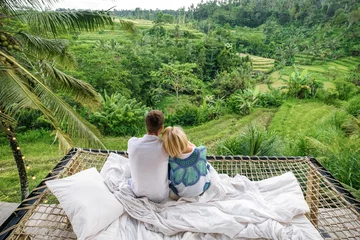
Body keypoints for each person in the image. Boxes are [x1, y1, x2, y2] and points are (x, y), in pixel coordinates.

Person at [127, 110, 169, 203]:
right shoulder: (165, 147)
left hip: (137, 193)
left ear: (146, 125)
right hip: (160, 196)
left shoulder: (132, 143)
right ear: (161, 128)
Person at [162, 126, 211, 199]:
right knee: (206, 165)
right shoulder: (201, 150)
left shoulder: (171, 160)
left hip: (181, 195)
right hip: (202, 190)